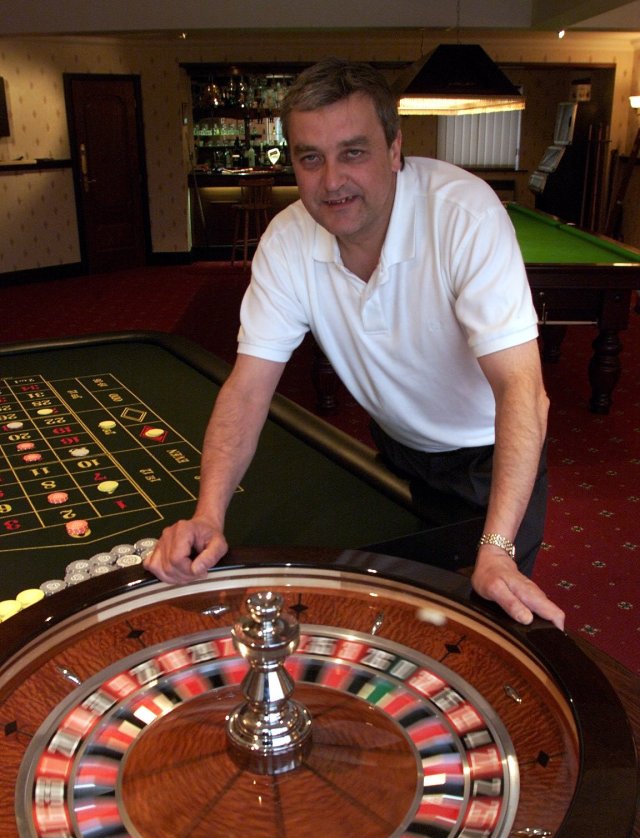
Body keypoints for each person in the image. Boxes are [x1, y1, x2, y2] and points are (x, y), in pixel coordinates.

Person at [145, 58, 565, 631]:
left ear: (395, 150)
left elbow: (524, 392)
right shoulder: (288, 238)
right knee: (396, 615)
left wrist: (495, 547)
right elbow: (247, 389)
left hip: (494, 454)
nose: (331, 181)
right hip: (398, 447)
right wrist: (208, 515)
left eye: (354, 152)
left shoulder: (464, 215)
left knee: (486, 622)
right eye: (310, 158)